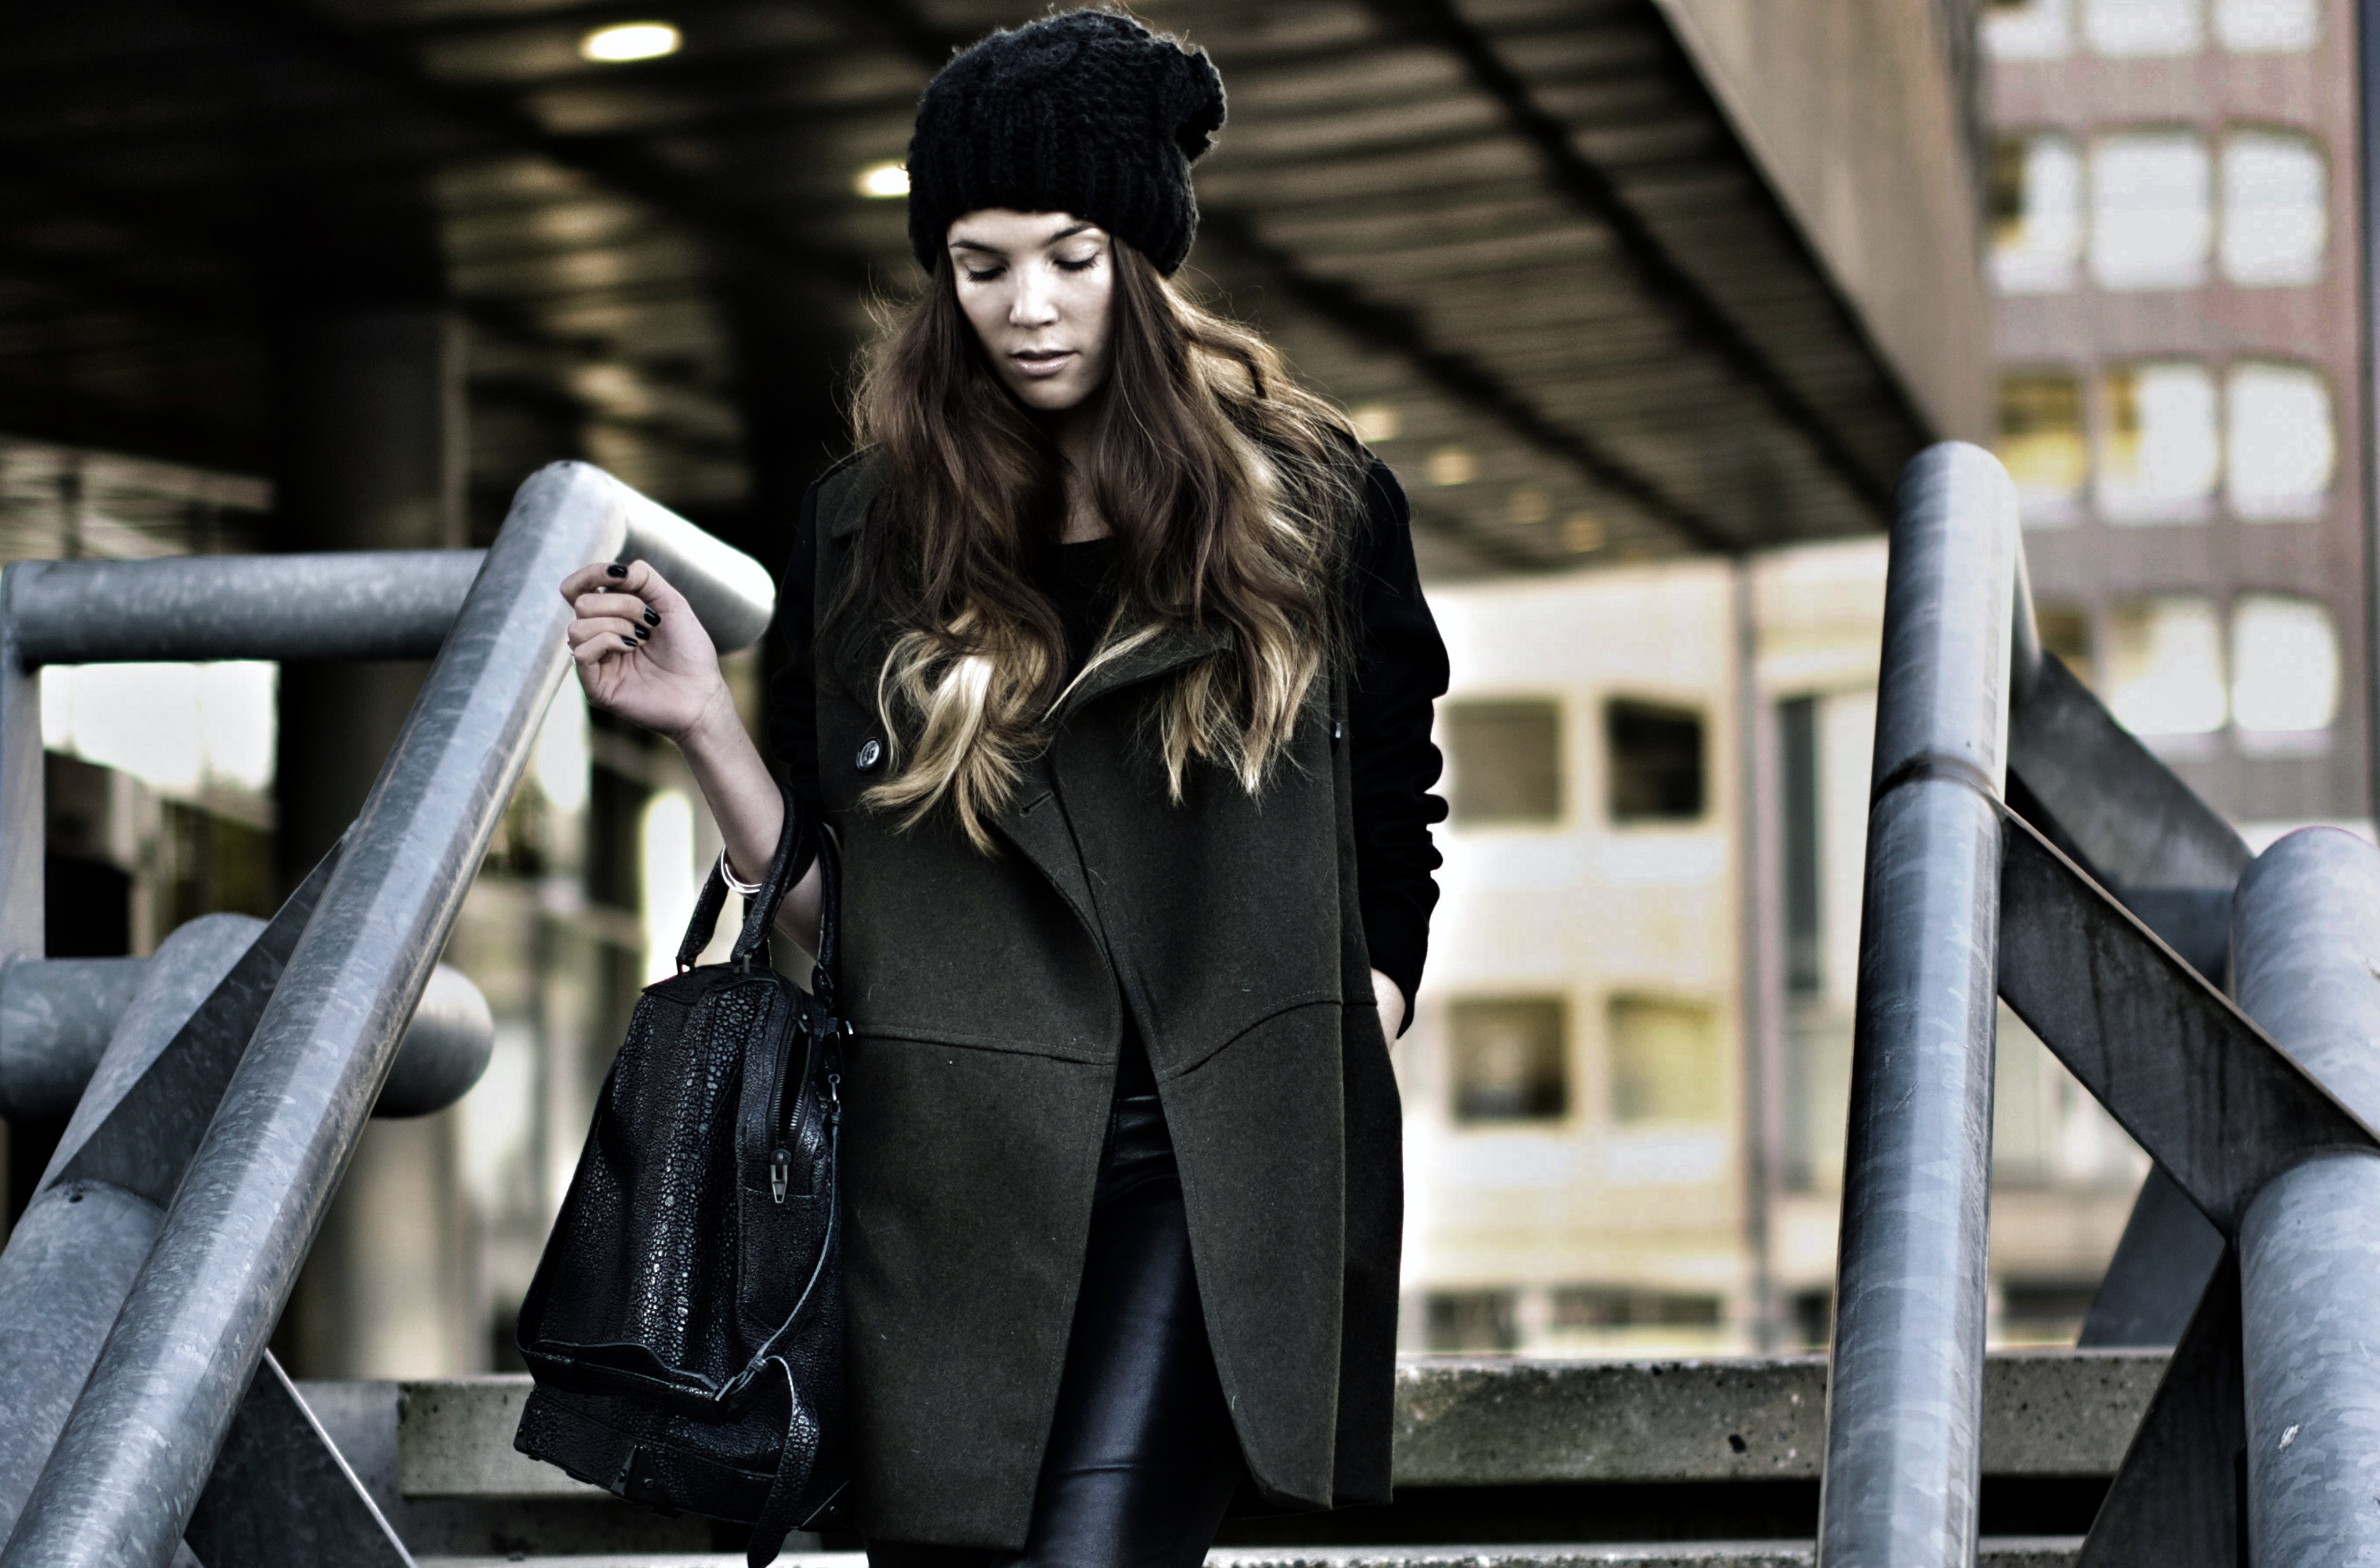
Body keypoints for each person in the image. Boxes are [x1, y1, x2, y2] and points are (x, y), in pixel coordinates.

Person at [557, 11, 1448, 1565]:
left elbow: (1391, 815)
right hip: (949, 1181)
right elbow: (838, 911)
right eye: (981, 266)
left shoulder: (1309, 504)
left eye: (1070, 257)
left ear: (1141, 259)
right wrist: (700, 723)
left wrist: (1342, 1027)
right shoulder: (868, 534)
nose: (1028, 308)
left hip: (1210, 1162)